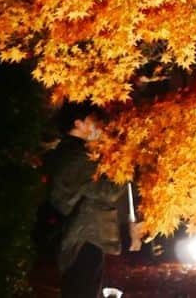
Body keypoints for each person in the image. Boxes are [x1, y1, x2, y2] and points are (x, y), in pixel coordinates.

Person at [49, 104, 141, 298]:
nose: (98, 126)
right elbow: (109, 190)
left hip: (84, 235)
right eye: (92, 120)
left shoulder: (76, 153)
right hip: (82, 237)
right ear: (78, 123)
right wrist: (125, 165)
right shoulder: (74, 157)